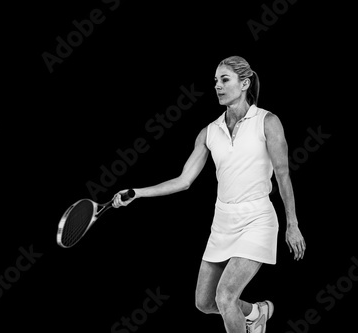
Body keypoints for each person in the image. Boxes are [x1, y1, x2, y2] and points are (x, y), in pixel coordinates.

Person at [110, 56, 306, 333]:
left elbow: (283, 174)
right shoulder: (208, 132)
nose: (218, 86)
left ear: (244, 83)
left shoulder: (267, 122)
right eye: (215, 81)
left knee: (225, 297)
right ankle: (257, 312)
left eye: (225, 80)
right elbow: (183, 180)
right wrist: (137, 193)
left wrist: (293, 224)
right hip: (223, 222)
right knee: (204, 302)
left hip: (257, 220)